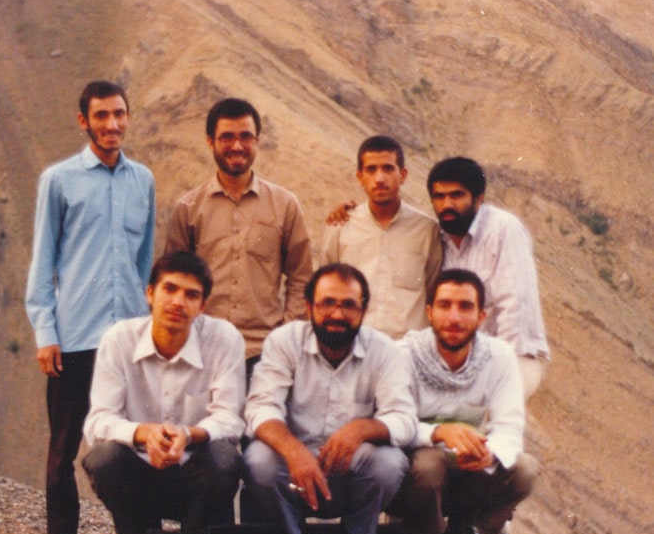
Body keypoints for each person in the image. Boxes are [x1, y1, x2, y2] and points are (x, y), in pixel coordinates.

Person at [25, 80, 156, 534]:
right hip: (76, 337)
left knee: (135, 440)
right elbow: (43, 260)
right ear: (84, 121)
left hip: (130, 340)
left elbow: (144, 260)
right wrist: (45, 331)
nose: (112, 123)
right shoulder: (59, 180)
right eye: (101, 115)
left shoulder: (143, 180)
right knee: (63, 450)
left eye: (119, 113)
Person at [243, 263, 417, 534]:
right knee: (258, 458)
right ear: (309, 307)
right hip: (294, 471)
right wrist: (293, 450)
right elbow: (260, 407)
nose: (337, 314)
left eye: (348, 305)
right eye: (327, 303)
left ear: (363, 311)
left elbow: (405, 419)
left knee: (390, 463)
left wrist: (361, 429)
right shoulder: (284, 341)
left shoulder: (384, 350)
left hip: (348, 470)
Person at [82, 252, 246, 534]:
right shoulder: (119, 339)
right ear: (150, 293)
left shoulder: (224, 339)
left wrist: (189, 433)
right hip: (139, 471)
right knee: (102, 457)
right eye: (169, 289)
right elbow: (98, 420)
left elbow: (231, 419)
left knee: (226, 457)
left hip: (194, 471)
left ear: (202, 305)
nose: (178, 302)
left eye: (191, 295)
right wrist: (143, 432)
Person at [391, 269, 539, 534]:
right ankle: (423, 530)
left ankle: (471, 527)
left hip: (467, 466)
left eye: (465, 306)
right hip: (416, 473)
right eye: (445, 305)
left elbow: (509, 426)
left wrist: (490, 453)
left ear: (481, 316)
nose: (454, 317)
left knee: (525, 469)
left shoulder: (499, 357)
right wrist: (438, 433)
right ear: (429, 312)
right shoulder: (402, 355)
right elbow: (391, 422)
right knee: (429, 464)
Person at [164, 97, 313, 381]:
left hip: (265, 353)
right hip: (203, 351)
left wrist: (286, 335)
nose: (237, 146)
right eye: (227, 137)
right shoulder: (188, 208)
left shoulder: (284, 204)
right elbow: (173, 281)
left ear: (257, 141)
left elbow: (301, 276)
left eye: (246, 137)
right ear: (210, 141)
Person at [426, 157, 549, 398]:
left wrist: (498, 375)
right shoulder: (439, 238)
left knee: (482, 410)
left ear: (478, 198)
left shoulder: (503, 229)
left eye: (456, 195)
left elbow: (514, 305)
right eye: (439, 197)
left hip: (516, 357)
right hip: (461, 362)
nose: (447, 204)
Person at [322, 135, 441, 339]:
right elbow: (325, 289)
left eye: (388, 169)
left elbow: (434, 291)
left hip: (408, 348)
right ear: (360, 177)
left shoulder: (427, 230)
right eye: (371, 170)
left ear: (403, 175)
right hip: (355, 344)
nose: (379, 179)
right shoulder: (341, 226)